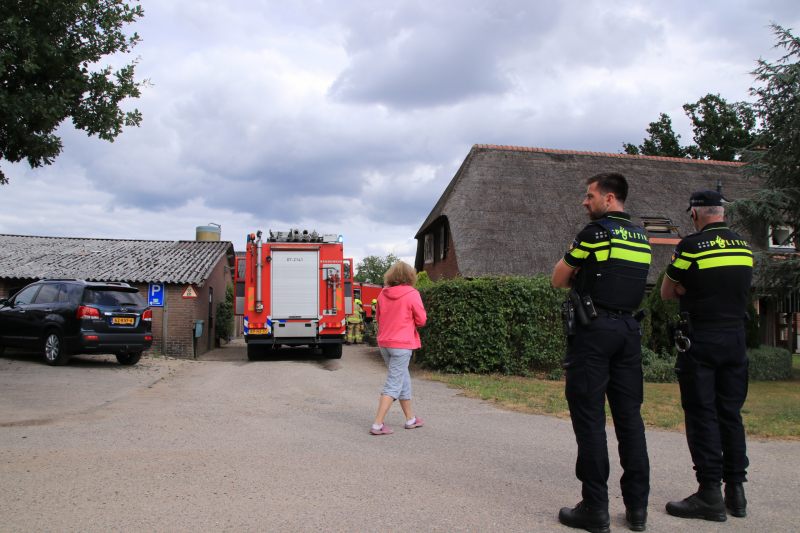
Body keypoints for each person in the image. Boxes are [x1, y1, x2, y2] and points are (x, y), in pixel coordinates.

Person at [551, 172, 651, 533]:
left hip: (595, 331)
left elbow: (559, 278)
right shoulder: (642, 236)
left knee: (590, 421)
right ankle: (637, 509)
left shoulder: (594, 233)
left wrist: (581, 274)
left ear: (609, 199)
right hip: (629, 331)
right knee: (630, 421)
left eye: (589, 195)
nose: (584, 201)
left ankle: (595, 508)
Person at [661, 190, 753, 521]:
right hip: (735, 339)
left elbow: (666, 290)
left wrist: (689, 288)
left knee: (701, 413)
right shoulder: (744, 247)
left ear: (696, 214)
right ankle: (736, 493)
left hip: (701, 339)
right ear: (722, 212)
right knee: (731, 413)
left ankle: (709, 493)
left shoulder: (690, 245)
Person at [370, 261, 427, 435]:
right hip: (402, 344)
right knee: (394, 384)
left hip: (385, 343)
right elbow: (422, 320)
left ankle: (410, 418)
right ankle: (377, 424)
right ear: (410, 276)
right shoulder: (412, 294)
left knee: (403, 379)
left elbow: (379, 318)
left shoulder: (382, 294)